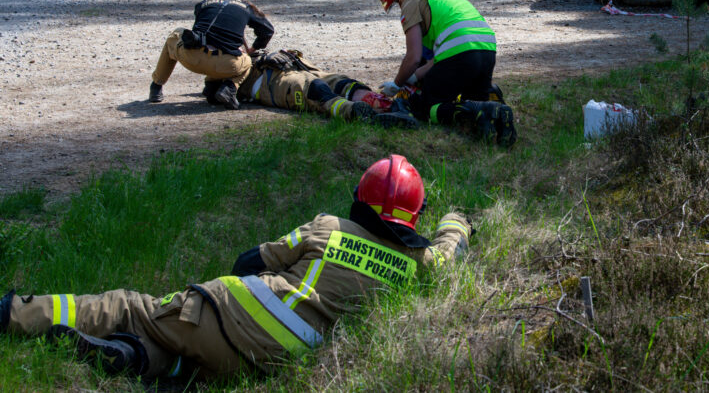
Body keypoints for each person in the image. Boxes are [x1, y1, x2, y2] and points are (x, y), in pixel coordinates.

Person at [0, 155, 472, 380]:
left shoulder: (329, 228)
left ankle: (16, 313)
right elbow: (449, 249)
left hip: (224, 312)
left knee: (127, 305)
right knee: (191, 364)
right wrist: (458, 222)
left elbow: (248, 261)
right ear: (416, 216)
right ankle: (132, 359)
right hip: (266, 364)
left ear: (359, 199)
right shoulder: (418, 265)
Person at [378, 0, 516, 147]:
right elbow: (438, 58)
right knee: (477, 105)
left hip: (460, 56)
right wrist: (413, 77)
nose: (399, 3)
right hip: (487, 51)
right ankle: (498, 116)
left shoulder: (412, 0)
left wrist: (396, 84)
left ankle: (475, 110)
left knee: (427, 108)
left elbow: (414, 57)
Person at [150, 0, 274, 110]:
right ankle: (229, 89)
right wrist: (251, 49)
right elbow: (268, 31)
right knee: (246, 61)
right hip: (226, 65)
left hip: (192, 59)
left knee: (175, 35)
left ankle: (156, 86)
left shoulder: (201, 5)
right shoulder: (246, 6)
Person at [232, 49, 418, 128]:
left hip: (294, 66)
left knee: (344, 84)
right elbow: (218, 88)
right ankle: (356, 113)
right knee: (315, 89)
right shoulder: (220, 61)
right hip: (269, 84)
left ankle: (393, 108)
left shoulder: (243, 46)